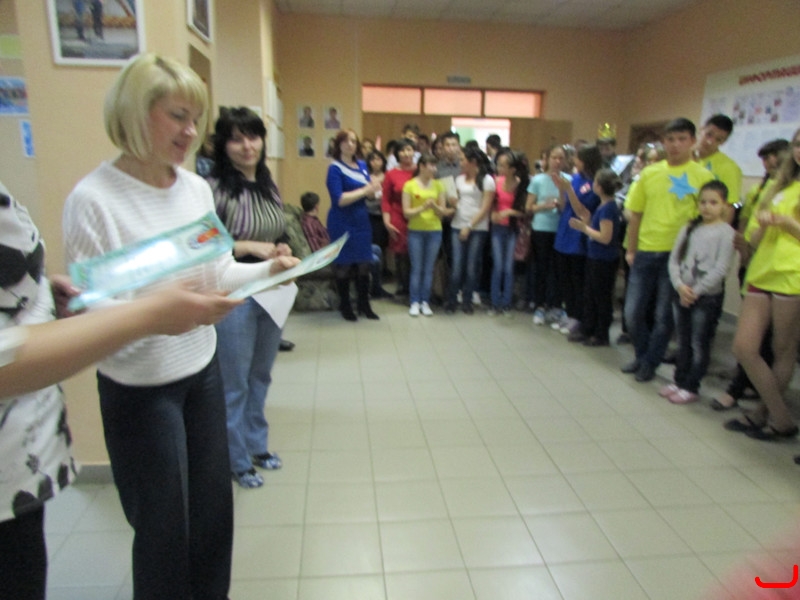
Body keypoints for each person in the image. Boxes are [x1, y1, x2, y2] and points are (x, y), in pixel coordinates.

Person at [62, 53, 299, 600]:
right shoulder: (93, 201)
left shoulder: (194, 190)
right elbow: (95, 317)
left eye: (195, 118)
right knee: (164, 532)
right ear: (133, 113)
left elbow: (217, 272)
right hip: (140, 389)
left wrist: (268, 272)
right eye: (177, 116)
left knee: (213, 519)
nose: (191, 132)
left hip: (202, 371)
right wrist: (165, 314)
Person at [207, 106, 293, 488]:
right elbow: (202, 245)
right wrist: (248, 246)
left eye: (253, 136)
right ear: (223, 145)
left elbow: (278, 229)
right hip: (235, 291)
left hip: (271, 289)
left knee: (261, 374)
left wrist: (280, 247)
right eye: (236, 139)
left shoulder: (267, 183)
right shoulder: (212, 188)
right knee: (235, 383)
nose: (247, 146)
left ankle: (257, 445)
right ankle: (236, 460)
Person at [622, 118, 715, 383]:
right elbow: (635, 214)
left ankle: (649, 363)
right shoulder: (650, 173)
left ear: (692, 141)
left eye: (682, 139)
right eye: (670, 139)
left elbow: (707, 220)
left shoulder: (703, 177)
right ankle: (642, 355)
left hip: (678, 256)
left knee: (664, 316)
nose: (675, 145)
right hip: (646, 250)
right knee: (632, 313)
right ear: (664, 142)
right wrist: (631, 249)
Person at [723, 127, 800, 442]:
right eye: (798, 144)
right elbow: (753, 236)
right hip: (762, 270)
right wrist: (759, 231)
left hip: (792, 273)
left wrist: (788, 223)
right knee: (744, 347)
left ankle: (765, 415)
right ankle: (781, 417)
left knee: (784, 349)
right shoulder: (779, 185)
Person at [713, 138, 789, 411]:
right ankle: (748, 384)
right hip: (755, 264)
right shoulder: (763, 189)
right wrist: (744, 243)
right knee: (748, 342)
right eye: (765, 158)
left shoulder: (787, 191)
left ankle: (755, 395)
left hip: (783, 272)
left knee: (774, 343)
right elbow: (748, 222)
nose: (769, 163)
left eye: (774, 157)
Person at [659, 181, 735, 404]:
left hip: (706, 298)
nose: (707, 207)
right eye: (703, 202)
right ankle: (679, 380)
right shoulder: (689, 228)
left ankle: (691, 385)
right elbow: (674, 260)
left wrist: (696, 291)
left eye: (713, 202)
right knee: (682, 341)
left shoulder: (726, 233)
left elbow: (721, 269)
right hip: (682, 293)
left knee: (698, 342)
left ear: (724, 205)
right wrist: (680, 286)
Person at [326, 129, 382, 321]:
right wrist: (365, 190)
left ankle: (364, 304)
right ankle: (345, 305)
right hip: (342, 221)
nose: (350, 144)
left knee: (364, 263)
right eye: (346, 141)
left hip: (361, 220)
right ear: (339, 144)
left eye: (353, 141)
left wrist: (374, 191)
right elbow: (339, 199)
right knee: (345, 264)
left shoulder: (362, 165)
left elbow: (370, 194)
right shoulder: (334, 168)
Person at [564, 168, 623, 346]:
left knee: (600, 296)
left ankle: (601, 333)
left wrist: (585, 229)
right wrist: (587, 223)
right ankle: (589, 328)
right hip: (595, 256)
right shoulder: (603, 206)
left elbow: (605, 237)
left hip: (604, 259)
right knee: (591, 294)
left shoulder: (608, 209)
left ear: (600, 187)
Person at [552, 144, 603, 338]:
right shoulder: (574, 178)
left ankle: (578, 317)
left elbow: (582, 211)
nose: (574, 161)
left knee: (576, 280)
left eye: (578, 158)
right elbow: (564, 205)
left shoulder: (594, 184)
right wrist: (561, 189)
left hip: (578, 235)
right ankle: (570, 313)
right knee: (564, 278)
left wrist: (569, 190)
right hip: (565, 231)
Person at [445, 146, 495, 315]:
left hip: (477, 227)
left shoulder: (487, 180)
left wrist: (469, 226)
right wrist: (453, 202)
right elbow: (457, 201)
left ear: (473, 162)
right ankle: (452, 299)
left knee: (472, 266)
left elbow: (485, 208)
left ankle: (467, 300)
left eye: (463, 160)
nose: (460, 163)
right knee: (457, 266)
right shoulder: (459, 179)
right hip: (457, 225)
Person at [402, 153, 452, 316]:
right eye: (431, 165)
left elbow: (442, 211)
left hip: (434, 231)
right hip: (415, 231)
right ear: (421, 166)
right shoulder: (409, 185)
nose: (434, 169)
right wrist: (422, 207)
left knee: (429, 268)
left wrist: (434, 207)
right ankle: (414, 301)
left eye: (435, 165)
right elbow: (406, 212)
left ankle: (425, 301)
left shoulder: (438, 185)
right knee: (417, 268)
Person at [526, 144, 569, 326]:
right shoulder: (538, 180)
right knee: (541, 269)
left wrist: (561, 197)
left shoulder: (568, 180)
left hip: (561, 230)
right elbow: (529, 207)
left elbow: (569, 207)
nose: (557, 162)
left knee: (559, 270)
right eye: (554, 158)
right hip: (541, 229)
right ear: (547, 159)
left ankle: (556, 305)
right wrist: (545, 205)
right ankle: (540, 305)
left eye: (561, 158)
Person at [489, 148, 529, 315]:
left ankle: (506, 302)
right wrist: (493, 214)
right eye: (498, 165)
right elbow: (491, 204)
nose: (499, 168)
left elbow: (525, 211)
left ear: (512, 169)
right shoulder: (496, 181)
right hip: (497, 228)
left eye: (503, 165)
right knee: (498, 265)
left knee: (508, 266)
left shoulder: (521, 184)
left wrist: (509, 212)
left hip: (513, 228)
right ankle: (494, 302)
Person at [382, 139, 416, 297]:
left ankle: (416, 288)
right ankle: (404, 287)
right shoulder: (391, 174)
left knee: (415, 253)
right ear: (397, 154)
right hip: (398, 216)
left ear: (414, 152)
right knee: (401, 254)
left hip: (418, 216)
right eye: (402, 150)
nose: (406, 153)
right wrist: (386, 221)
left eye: (409, 149)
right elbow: (386, 199)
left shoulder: (420, 170)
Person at [695, 113, 742, 221]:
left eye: (718, 139)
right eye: (708, 134)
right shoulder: (684, 158)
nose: (710, 141)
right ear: (701, 130)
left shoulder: (729, 168)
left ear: (723, 142)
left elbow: (728, 208)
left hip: (702, 224)